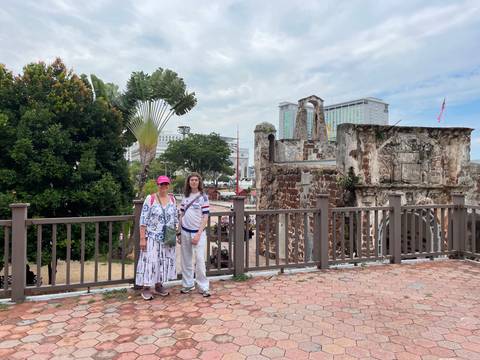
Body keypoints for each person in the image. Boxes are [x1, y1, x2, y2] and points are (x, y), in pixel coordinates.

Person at [136, 175, 178, 300]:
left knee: (163, 261)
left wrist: (176, 233)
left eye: (166, 184)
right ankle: (146, 287)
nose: (164, 186)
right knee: (150, 261)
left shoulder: (172, 199)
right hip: (153, 237)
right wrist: (142, 238)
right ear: (158, 185)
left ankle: (159, 285)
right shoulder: (151, 198)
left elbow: (175, 217)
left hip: (167, 237)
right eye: (161, 184)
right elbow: (143, 219)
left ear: (168, 185)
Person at [178, 172, 211, 297]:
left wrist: (198, 234)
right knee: (186, 259)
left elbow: (205, 217)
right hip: (185, 231)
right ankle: (188, 284)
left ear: (199, 182)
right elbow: (181, 215)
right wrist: (179, 232)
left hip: (198, 233)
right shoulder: (185, 197)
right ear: (188, 182)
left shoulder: (203, 197)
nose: (194, 182)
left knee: (200, 260)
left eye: (196, 180)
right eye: (191, 180)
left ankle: (203, 286)